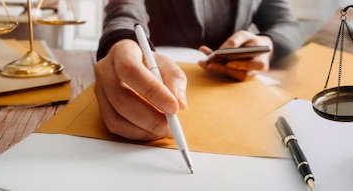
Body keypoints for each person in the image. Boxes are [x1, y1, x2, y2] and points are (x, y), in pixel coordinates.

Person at [94, 0, 302, 141]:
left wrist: (267, 44)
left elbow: (286, 24)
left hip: (234, 94)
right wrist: (121, 40)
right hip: (152, 81)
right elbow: (124, 8)